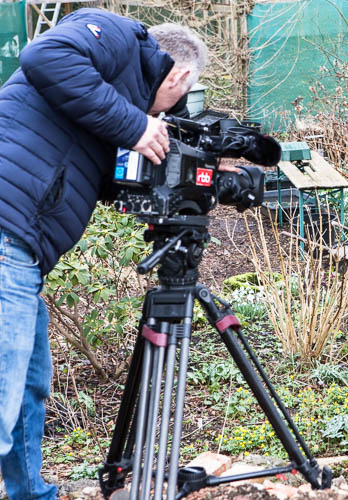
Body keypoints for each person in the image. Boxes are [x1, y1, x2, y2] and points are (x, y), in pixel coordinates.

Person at [0, 9, 208, 498]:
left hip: (24, 256)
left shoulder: (109, 100)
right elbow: (43, 54)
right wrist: (135, 125)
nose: (170, 115)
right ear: (178, 76)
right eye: (179, 99)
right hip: (6, 237)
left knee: (28, 393)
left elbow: (94, 172)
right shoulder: (118, 36)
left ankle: (31, 493)